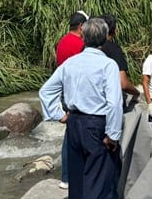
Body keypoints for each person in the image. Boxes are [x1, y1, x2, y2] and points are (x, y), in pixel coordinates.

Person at [39, 17, 123, 199]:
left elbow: (45, 91)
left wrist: (58, 115)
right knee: (100, 181)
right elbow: (114, 103)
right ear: (104, 38)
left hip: (74, 123)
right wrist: (113, 135)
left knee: (77, 181)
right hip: (96, 124)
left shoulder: (71, 63)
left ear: (83, 37)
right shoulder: (108, 65)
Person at [53, 9, 88, 190]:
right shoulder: (80, 44)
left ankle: (66, 177)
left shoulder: (62, 42)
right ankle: (71, 176)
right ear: (81, 26)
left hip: (64, 92)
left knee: (71, 132)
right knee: (76, 135)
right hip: (77, 93)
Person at [99, 13, 141, 109]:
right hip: (108, 105)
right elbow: (123, 84)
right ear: (114, 30)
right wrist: (136, 92)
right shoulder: (114, 49)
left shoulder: (86, 48)